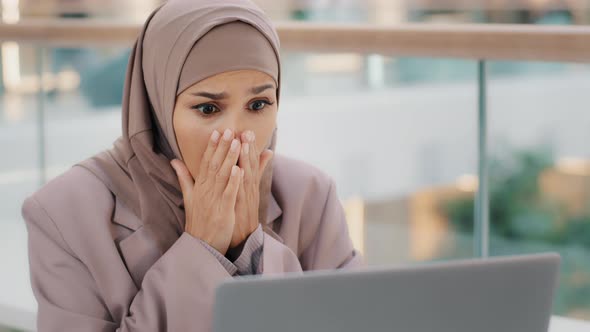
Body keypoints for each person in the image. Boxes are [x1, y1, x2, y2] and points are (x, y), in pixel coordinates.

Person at [21, 0, 363, 330]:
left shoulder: (311, 195)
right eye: (208, 109)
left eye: (258, 104)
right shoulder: (63, 214)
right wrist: (201, 250)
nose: (236, 135)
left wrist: (252, 249)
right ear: (157, 107)